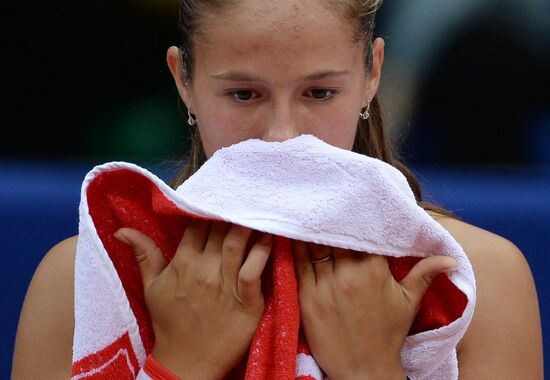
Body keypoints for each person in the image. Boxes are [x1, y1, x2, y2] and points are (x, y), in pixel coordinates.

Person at [12, 0, 543, 378]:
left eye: (320, 91)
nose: (282, 133)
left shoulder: (483, 279)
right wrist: (182, 365)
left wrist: (369, 370)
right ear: (183, 81)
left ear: (372, 72)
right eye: (244, 94)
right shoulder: (78, 279)